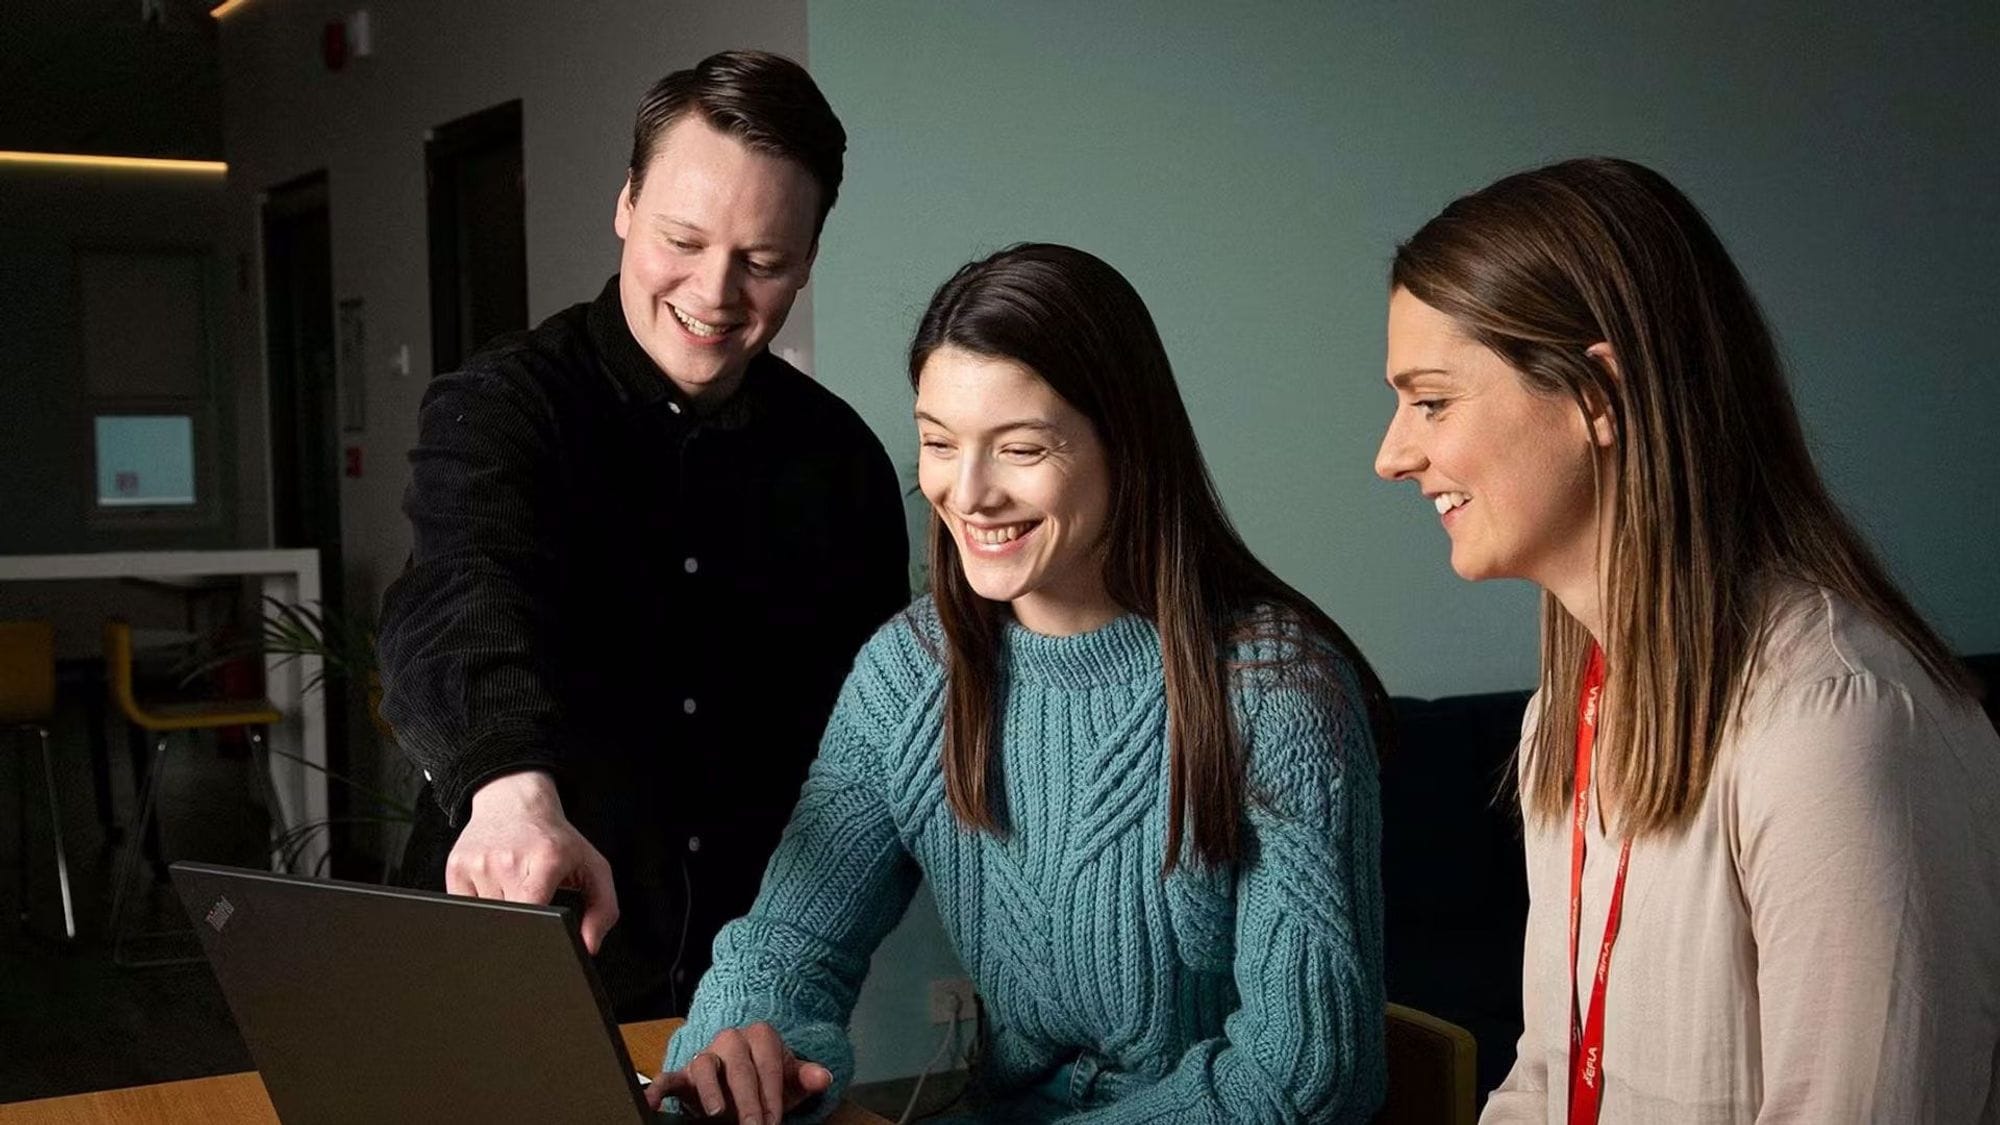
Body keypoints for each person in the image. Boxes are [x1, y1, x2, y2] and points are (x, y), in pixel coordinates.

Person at [648, 242, 1392, 1123]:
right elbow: (788, 942)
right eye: (936, 442)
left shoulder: (1279, 692)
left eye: (1020, 448)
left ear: (1126, 442)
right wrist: (737, 1048)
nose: (965, 494)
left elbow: (1304, 1080)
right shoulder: (909, 672)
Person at [1374, 157, 2000, 1122]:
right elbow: (1544, 1075)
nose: (1393, 454)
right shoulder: (1565, 714)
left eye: (1432, 400)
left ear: (1597, 393)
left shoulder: (1842, 719)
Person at [375, 50, 909, 1019]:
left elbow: (868, 746)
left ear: (809, 259)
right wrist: (507, 786)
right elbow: (460, 594)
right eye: (682, 239)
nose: (713, 294)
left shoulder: (844, 463)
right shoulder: (502, 407)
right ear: (626, 205)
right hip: (505, 961)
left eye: (763, 262)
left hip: (740, 1000)